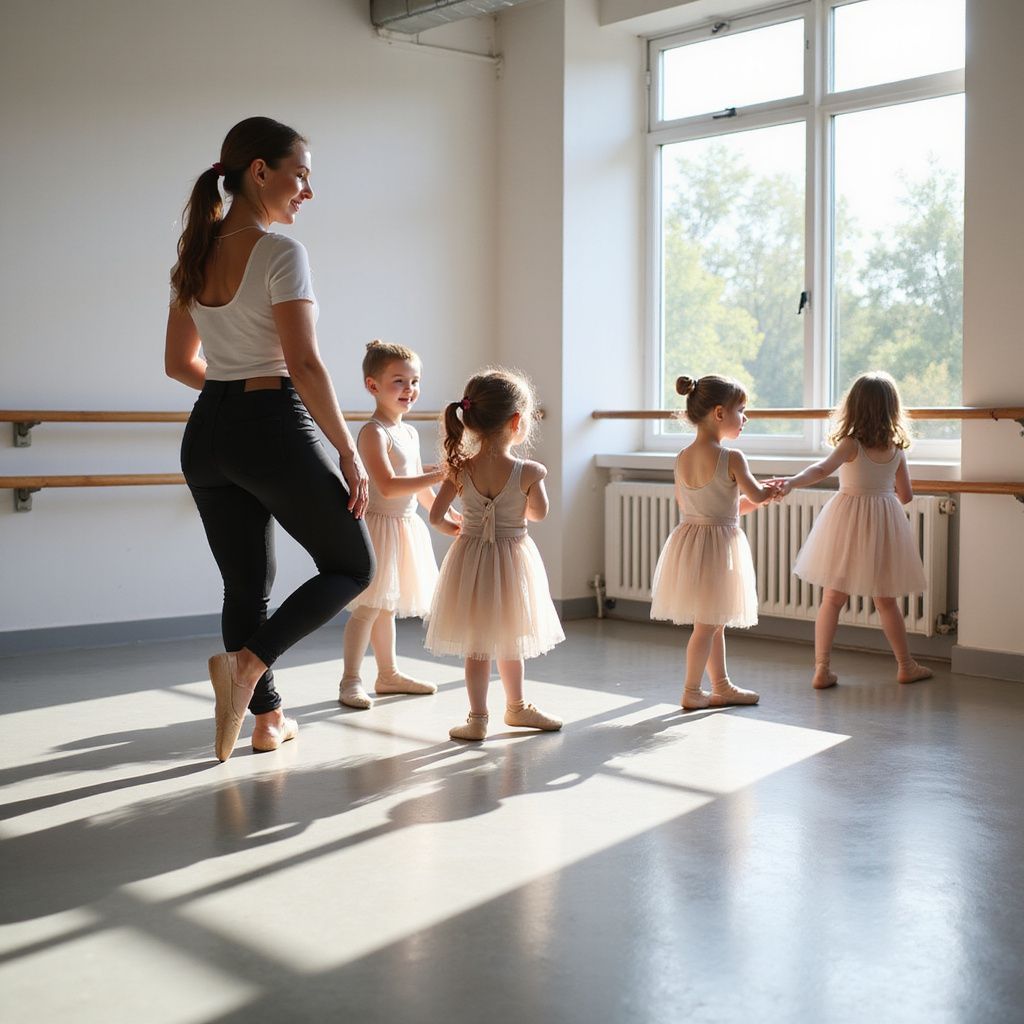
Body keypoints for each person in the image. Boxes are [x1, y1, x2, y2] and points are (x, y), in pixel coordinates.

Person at [164, 116, 374, 762]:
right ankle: (249, 666)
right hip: (271, 424)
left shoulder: (193, 255)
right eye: (300, 174)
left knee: (245, 586)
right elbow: (304, 364)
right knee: (353, 566)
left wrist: (227, 396)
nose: (306, 190)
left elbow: (178, 364)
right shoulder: (282, 253)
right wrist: (347, 449)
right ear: (260, 171)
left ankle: (265, 720)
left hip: (207, 435)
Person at [425, 369, 564, 742]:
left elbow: (435, 516)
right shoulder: (530, 471)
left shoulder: (459, 469)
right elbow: (539, 514)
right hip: (512, 558)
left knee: (477, 644)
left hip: (469, 560)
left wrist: (457, 526)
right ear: (516, 421)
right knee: (510, 634)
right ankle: (516, 707)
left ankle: (477, 718)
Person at [770, 371, 931, 688]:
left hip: (846, 519)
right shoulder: (896, 450)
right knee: (886, 600)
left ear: (854, 407)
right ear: (892, 410)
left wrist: (790, 483)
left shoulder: (850, 445)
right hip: (884, 522)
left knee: (832, 598)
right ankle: (905, 665)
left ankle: (821, 668)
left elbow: (820, 470)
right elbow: (907, 496)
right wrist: (882, 489)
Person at [338, 340, 459, 710]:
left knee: (387, 606)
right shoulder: (374, 432)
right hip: (379, 527)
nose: (409, 390)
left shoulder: (408, 432)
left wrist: (444, 514)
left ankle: (387, 673)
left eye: (415, 381)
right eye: (399, 381)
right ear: (373, 386)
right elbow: (389, 485)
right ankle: (350, 680)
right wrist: (443, 471)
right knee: (368, 608)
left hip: (405, 527)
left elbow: (419, 491)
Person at [650, 374, 778, 710]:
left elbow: (711, 506)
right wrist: (772, 491)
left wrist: (758, 499)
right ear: (719, 413)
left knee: (713, 621)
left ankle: (721, 685)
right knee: (707, 626)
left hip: (692, 541)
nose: (745, 418)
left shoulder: (681, 458)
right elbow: (754, 494)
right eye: (741, 410)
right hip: (718, 547)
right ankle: (692, 690)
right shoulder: (732, 458)